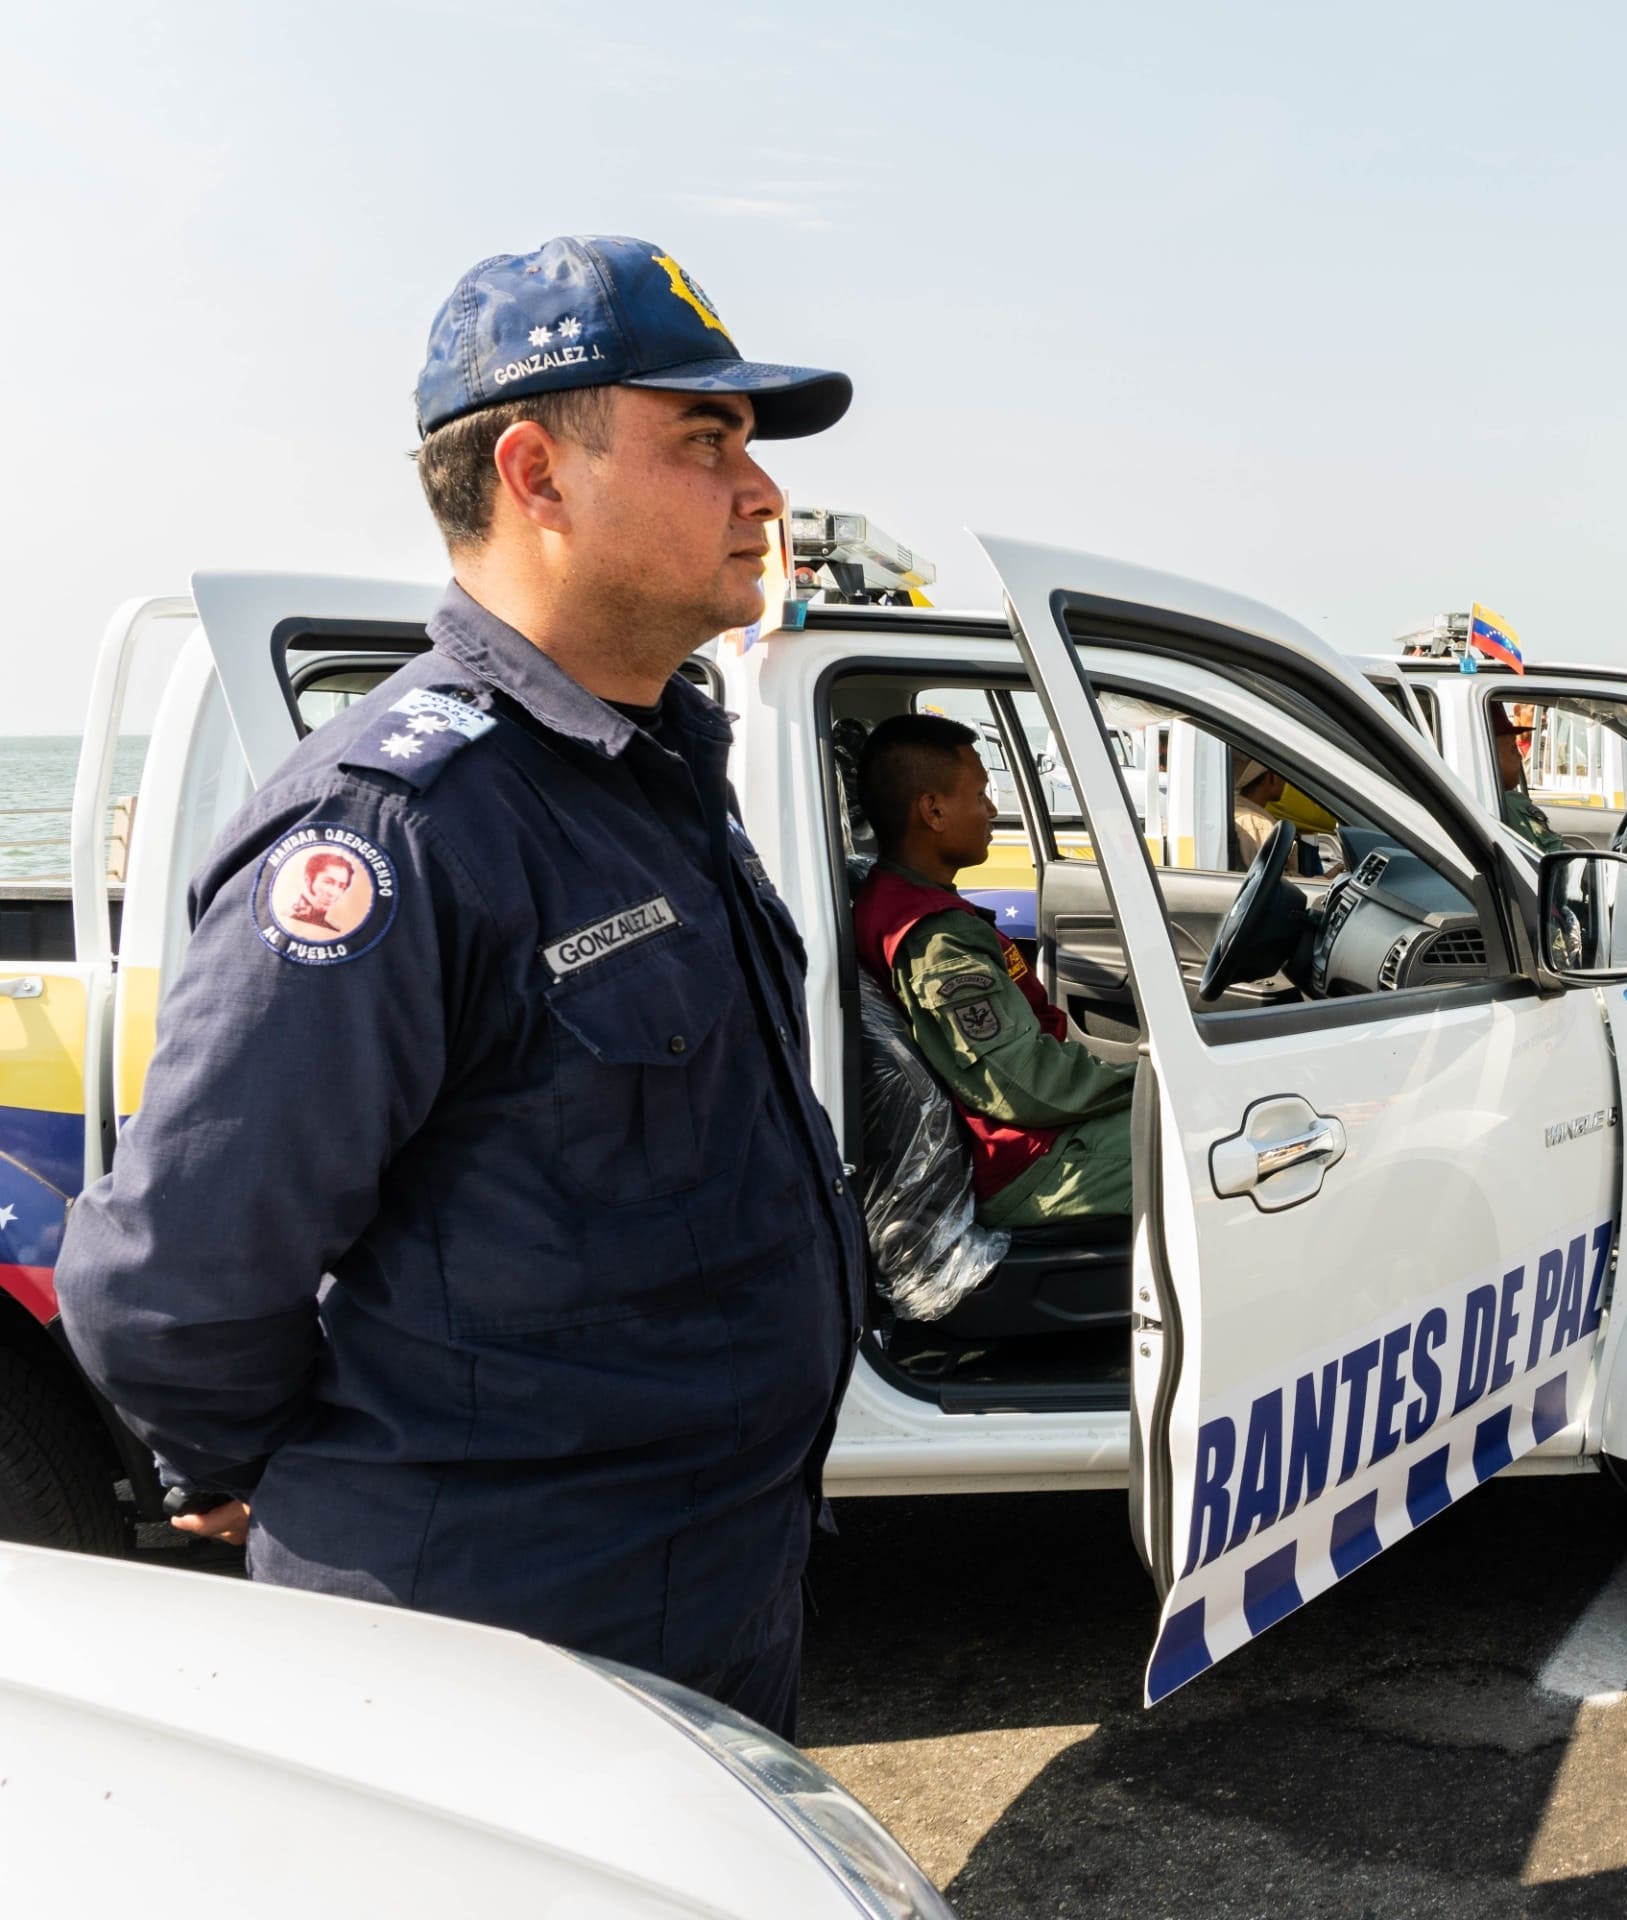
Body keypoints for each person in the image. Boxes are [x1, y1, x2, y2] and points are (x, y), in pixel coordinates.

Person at [54, 237, 862, 1737]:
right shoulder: (393, 831)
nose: (763, 492)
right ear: (537, 476)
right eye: (707, 441)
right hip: (498, 1652)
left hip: (708, 1603)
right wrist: (263, 1466)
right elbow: (171, 1283)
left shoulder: (654, 774)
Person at [855, 713, 1136, 1227]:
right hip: (1033, 1163)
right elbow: (1024, 1085)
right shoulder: (932, 937)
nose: (990, 809)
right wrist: (1151, 1082)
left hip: (1036, 1139)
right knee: (1216, 1145)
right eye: (981, 793)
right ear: (933, 810)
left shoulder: (908, 901)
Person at [1493, 705, 1568, 852]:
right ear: (1489, 754)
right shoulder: (1507, 804)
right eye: (1513, 749)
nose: (1519, 756)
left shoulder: (1552, 747)